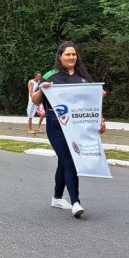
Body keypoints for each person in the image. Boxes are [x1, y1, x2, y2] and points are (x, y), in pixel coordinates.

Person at [31, 42, 106, 219]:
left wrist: (101, 118)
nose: (71, 57)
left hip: (77, 124)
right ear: (60, 56)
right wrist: (42, 89)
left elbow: (95, 97)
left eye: (73, 54)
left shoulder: (83, 75)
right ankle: (75, 202)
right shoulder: (51, 74)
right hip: (56, 123)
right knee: (69, 159)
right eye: (67, 55)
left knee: (64, 160)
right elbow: (35, 100)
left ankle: (57, 197)